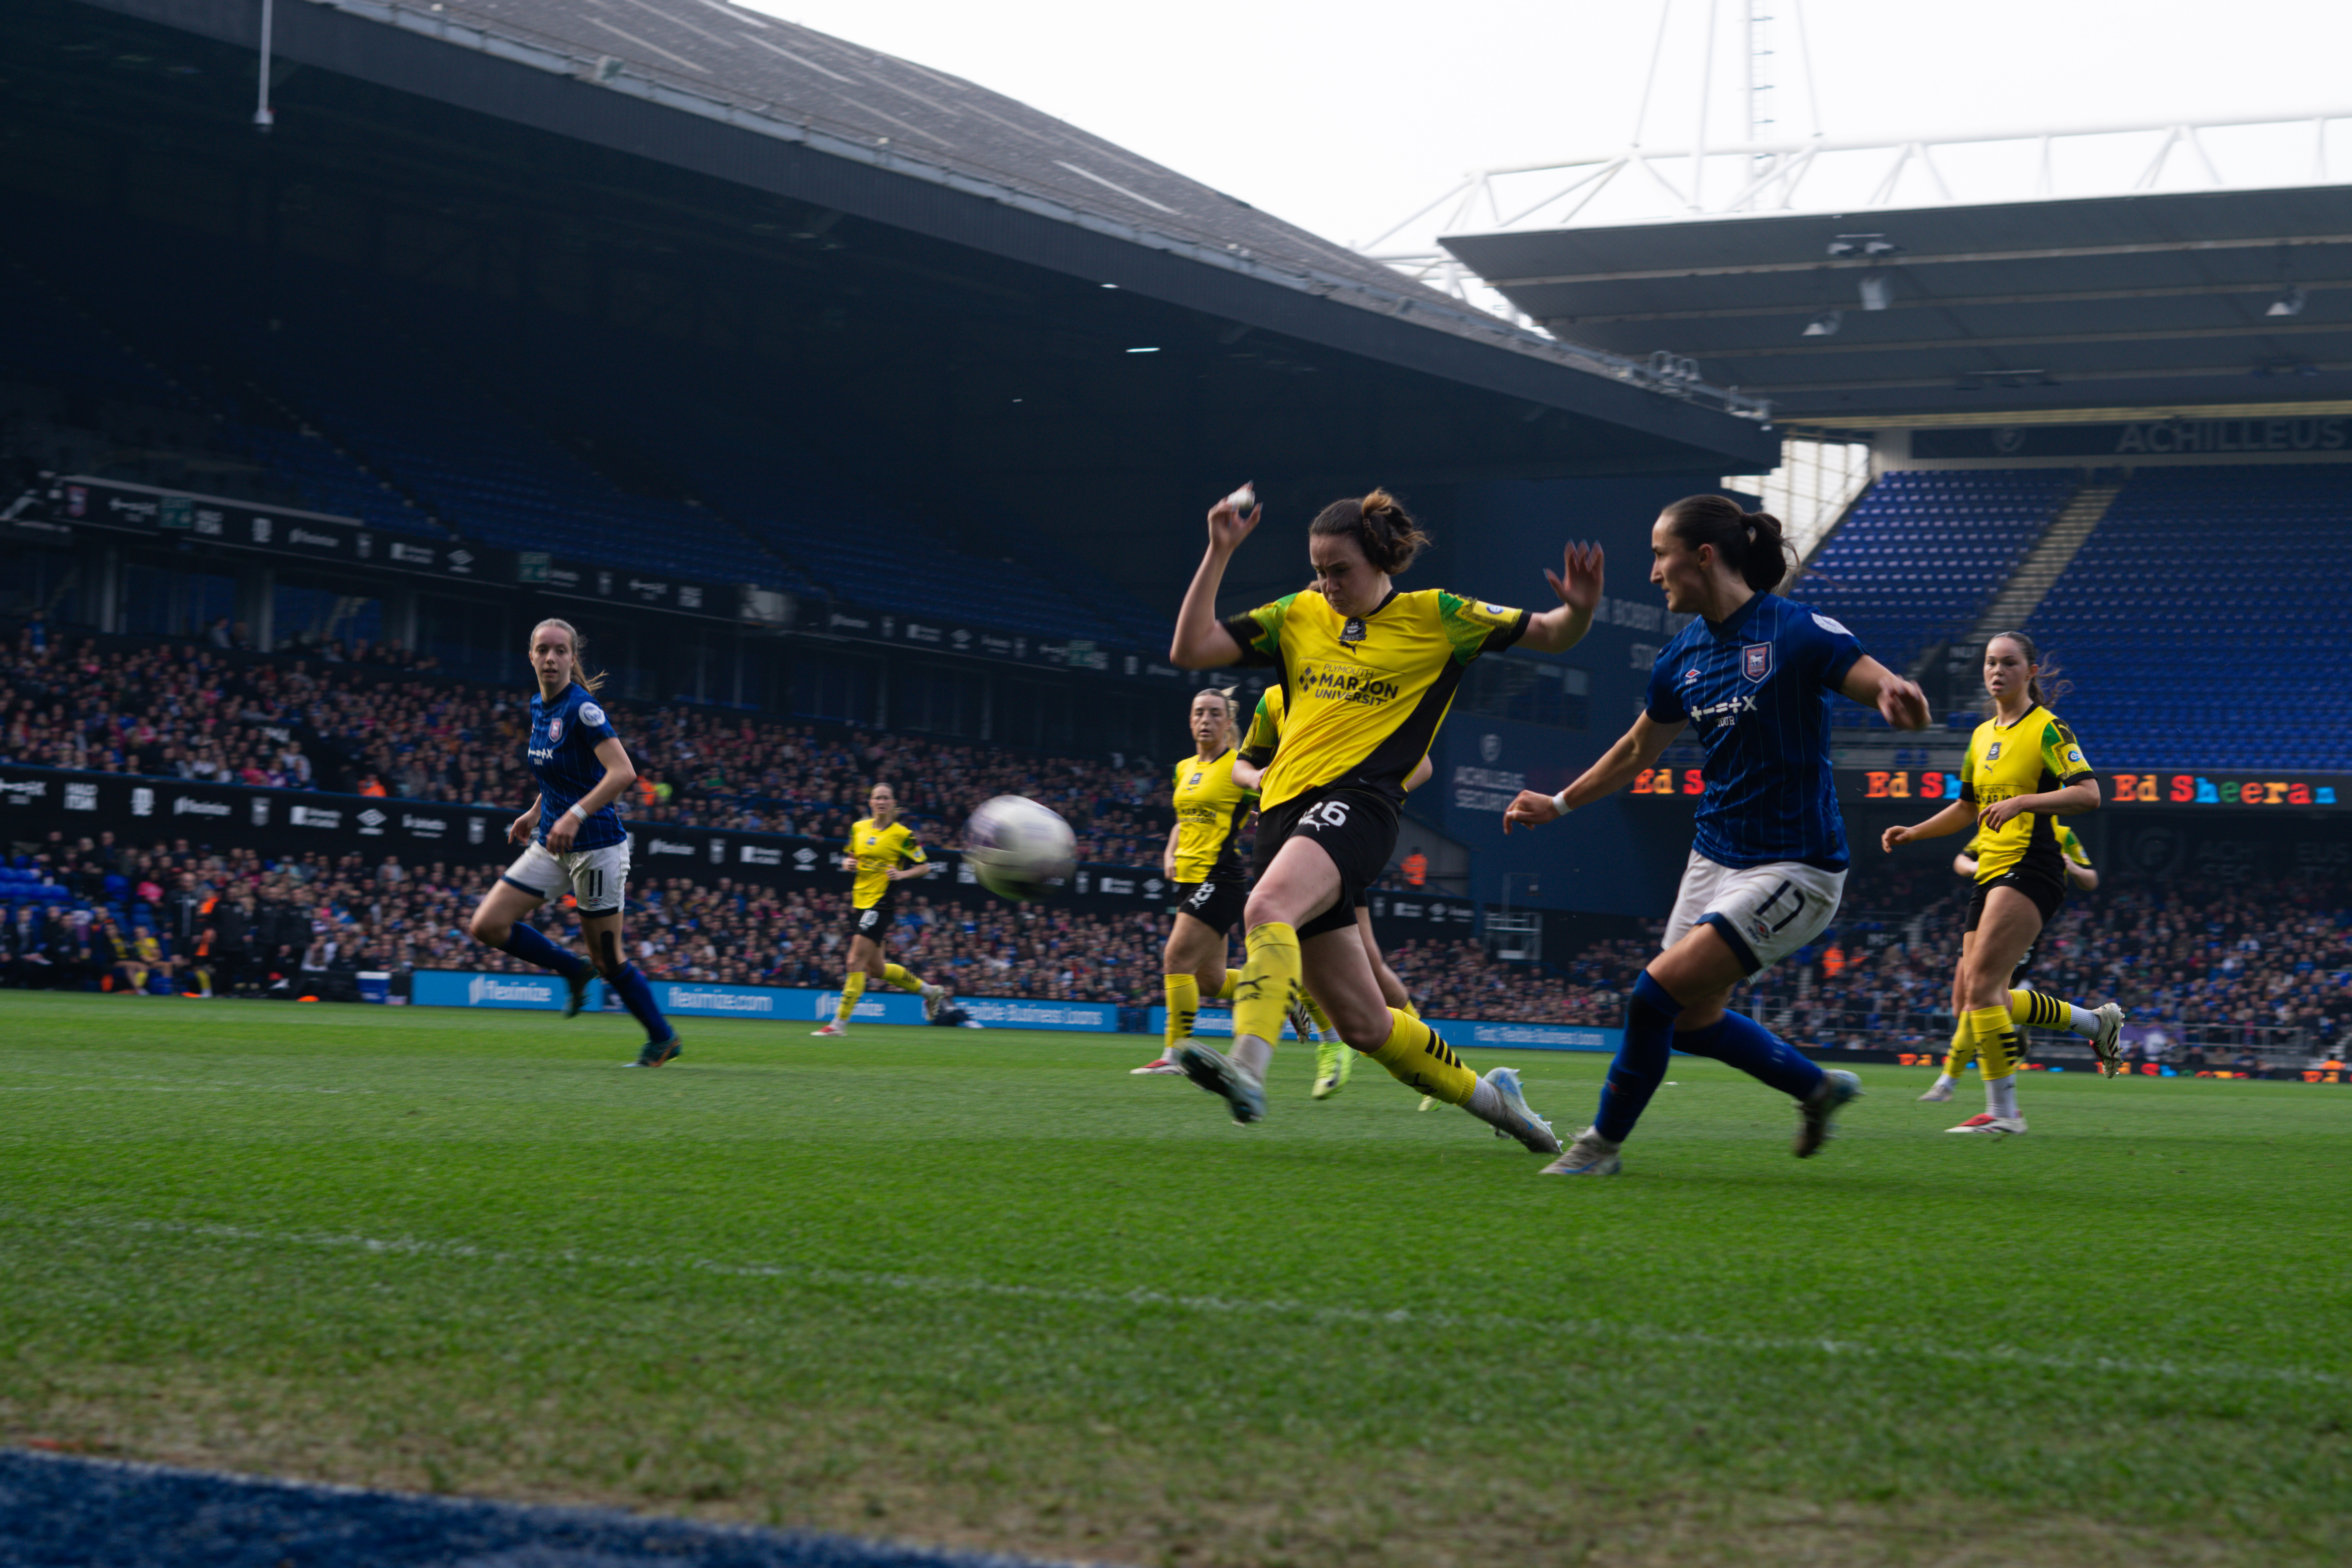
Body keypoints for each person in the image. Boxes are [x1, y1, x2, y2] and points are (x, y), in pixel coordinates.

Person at [1505, 494, 1931, 1175]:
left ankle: (1601, 1147)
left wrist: (1899, 702)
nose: (1652, 573)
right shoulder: (1682, 656)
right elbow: (1636, 751)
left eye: (1658, 554)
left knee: (1652, 995)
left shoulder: (1795, 631)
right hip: (1714, 856)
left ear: (1702, 556)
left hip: (1796, 867)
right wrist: (1558, 803)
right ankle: (1815, 1088)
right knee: (1690, 1020)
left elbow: (1885, 690)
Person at [1167, 483, 1587, 1151]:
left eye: (1341, 570)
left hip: (1360, 806)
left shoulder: (1440, 616)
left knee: (1265, 909)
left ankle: (1248, 1068)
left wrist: (1581, 609)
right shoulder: (1298, 613)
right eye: (1319, 570)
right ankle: (1504, 1107)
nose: (1328, 583)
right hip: (1281, 817)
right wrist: (1219, 552)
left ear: (1381, 563)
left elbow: (1553, 633)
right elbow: (1190, 650)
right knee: (1366, 1025)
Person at [1882, 631, 2113, 1134]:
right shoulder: (1982, 734)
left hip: (2033, 866)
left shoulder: (2049, 729)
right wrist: (1915, 832)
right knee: (1983, 996)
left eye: (2008, 663)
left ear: (2030, 671)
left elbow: (2090, 794)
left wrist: (2024, 802)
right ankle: (2094, 1024)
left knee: (1983, 985)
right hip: (1990, 872)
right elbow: (1967, 808)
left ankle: (2005, 1114)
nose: (1997, 671)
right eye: (1990, 663)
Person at [465, 618, 680, 1067]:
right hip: (554, 841)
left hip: (597, 846)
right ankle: (570, 968)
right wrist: (535, 812)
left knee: (609, 960)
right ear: (530, 655)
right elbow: (563, 771)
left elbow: (623, 773)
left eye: (560, 650)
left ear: (572, 658)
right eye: (542, 649)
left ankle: (663, 1039)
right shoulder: (538, 707)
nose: (550, 658)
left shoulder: (583, 709)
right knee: (486, 925)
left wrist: (576, 814)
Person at [1231, 679, 1430, 1100]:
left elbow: (1422, 763)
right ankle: (1331, 1039)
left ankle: (1424, 1052)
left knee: (1368, 961)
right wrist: (1261, 779)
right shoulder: (1274, 699)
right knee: (1283, 929)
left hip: (1338, 831)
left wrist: (1375, 792)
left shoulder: (1363, 683)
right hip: (1286, 834)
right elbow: (1242, 765)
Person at [1919, 811, 2120, 1103]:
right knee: (1963, 1004)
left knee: (1982, 996)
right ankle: (2082, 1022)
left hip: (2020, 917)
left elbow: (2090, 879)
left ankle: (1947, 1084)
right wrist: (1979, 866)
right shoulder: (1996, 824)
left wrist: (2073, 868)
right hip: (1983, 912)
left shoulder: (2061, 833)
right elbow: (1961, 860)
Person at [811, 782, 947, 1036]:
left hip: (882, 903)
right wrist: (848, 864)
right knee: (878, 970)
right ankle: (931, 991)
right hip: (859, 902)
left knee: (854, 960)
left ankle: (838, 1025)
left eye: (886, 798)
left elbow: (925, 867)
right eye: (877, 798)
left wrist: (902, 874)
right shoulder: (858, 828)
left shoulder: (903, 835)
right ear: (871, 803)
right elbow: (851, 857)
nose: (882, 802)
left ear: (894, 803)